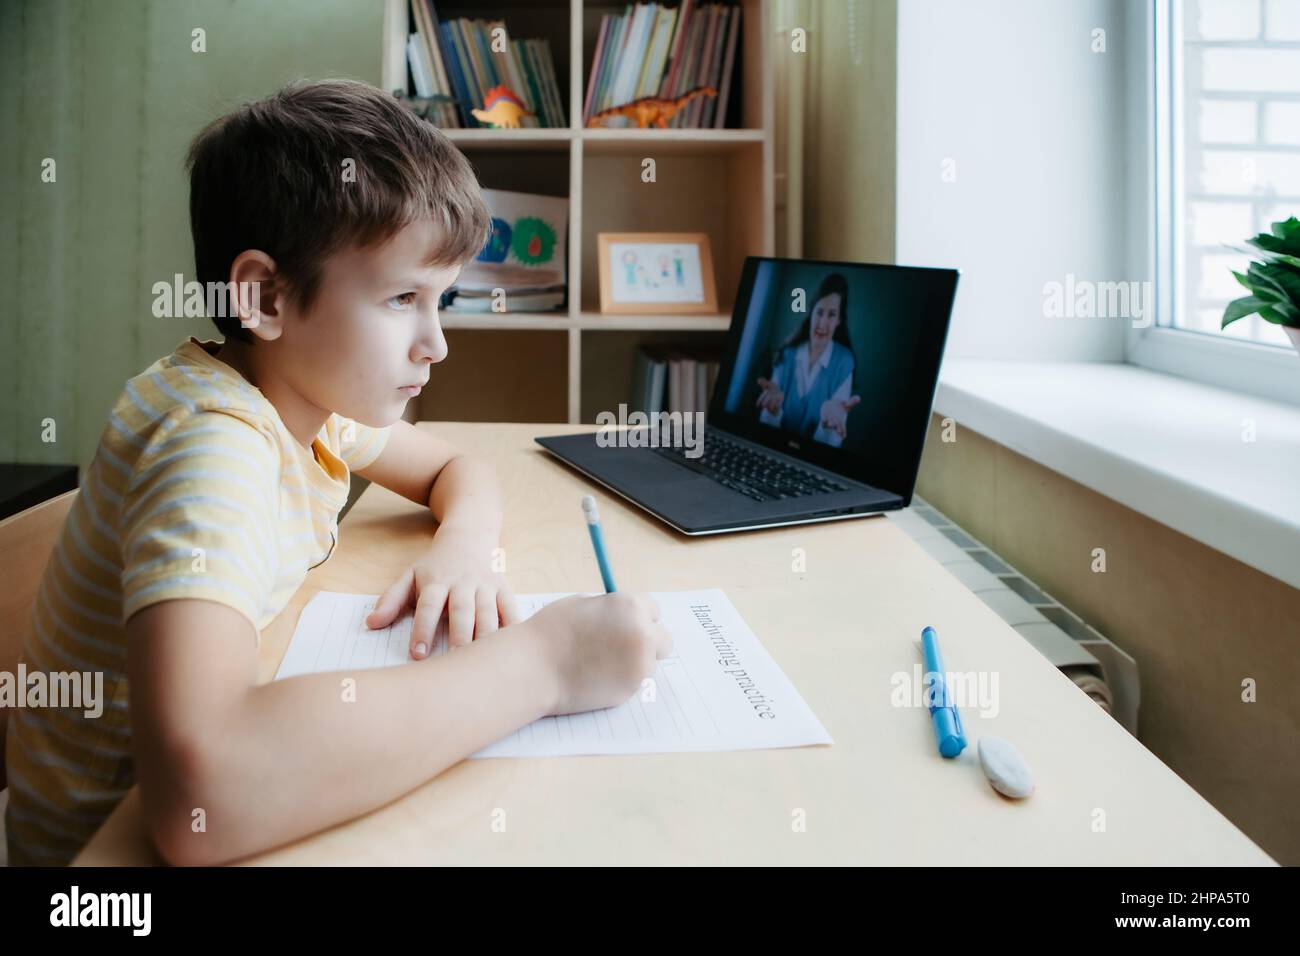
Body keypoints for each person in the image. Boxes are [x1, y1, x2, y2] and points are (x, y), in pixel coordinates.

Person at [5, 80, 670, 867]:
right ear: (266, 295)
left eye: (442, 299)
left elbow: (459, 467)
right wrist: (546, 664)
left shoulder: (297, 390)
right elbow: (201, 801)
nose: (437, 344)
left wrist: (461, 546)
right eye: (401, 298)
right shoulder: (212, 449)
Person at [755, 273, 861, 447]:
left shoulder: (845, 362)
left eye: (832, 315)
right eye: (819, 312)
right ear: (811, 312)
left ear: (839, 321)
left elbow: (831, 445)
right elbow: (765, 433)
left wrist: (827, 428)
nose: (823, 323)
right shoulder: (787, 354)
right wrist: (772, 412)